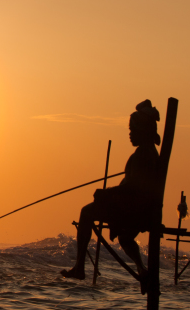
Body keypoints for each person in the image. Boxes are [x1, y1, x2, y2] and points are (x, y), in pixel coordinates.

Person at [61, 100, 163, 284]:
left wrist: (106, 194)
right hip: (139, 209)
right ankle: (141, 268)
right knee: (125, 238)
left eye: (133, 130)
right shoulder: (148, 153)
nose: (130, 135)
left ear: (144, 130)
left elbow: (132, 189)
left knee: (86, 212)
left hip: (133, 210)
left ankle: (79, 268)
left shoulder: (143, 155)